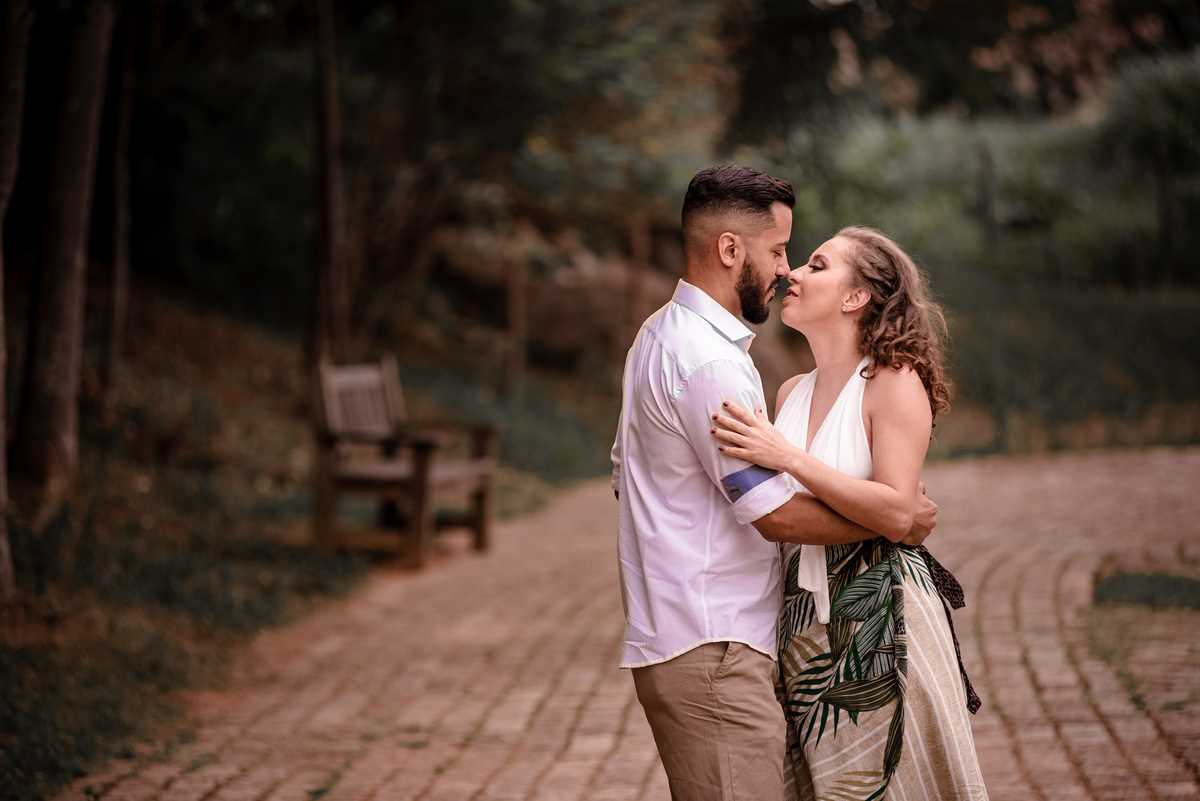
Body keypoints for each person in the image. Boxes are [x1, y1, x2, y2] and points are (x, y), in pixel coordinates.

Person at [610, 166, 938, 801]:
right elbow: (774, 515)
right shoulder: (711, 361)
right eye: (781, 250)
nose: (786, 269)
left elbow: (626, 477)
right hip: (714, 644)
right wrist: (896, 521)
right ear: (730, 250)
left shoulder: (657, 337)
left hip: (739, 642)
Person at [710, 225, 988, 800]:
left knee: (885, 783)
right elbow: (892, 513)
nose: (792, 272)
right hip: (802, 627)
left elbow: (896, 505)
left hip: (880, 619)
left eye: (816, 265)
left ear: (855, 297)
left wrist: (785, 456)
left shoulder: (892, 380)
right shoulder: (788, 393)